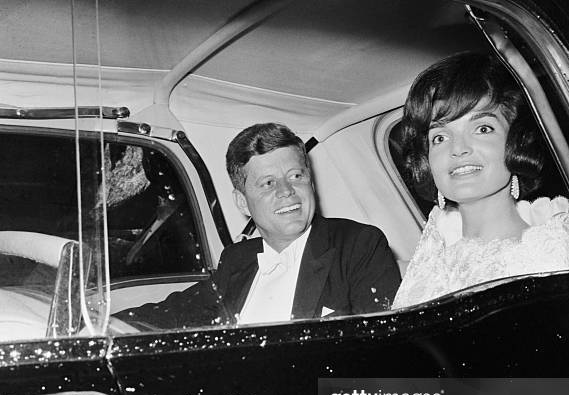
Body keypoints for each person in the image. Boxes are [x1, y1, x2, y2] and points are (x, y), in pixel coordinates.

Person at [119, 122, 400, 329]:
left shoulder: (358, 245)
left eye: (296, 176)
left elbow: (382, 356)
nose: (287, 191)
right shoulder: (236, 259)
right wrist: (106, 324)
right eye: (268, 183)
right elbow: (175, 310)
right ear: (242, 203)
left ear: (310, 183)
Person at [392, 52, 569, 309]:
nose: (458, 149)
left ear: (516, 143)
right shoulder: (432, 249)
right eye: (439, 137)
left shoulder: (550, 259)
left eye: (482, 128)